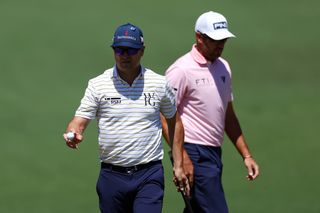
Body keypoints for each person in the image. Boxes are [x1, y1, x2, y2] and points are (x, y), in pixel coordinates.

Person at [63, 23, 189, 213]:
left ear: (142, 51)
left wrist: (178, 164)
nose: (124, 55)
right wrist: (73, 132)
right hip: (112, 175)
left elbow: (175, 122)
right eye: (119, 50)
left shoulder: (159, 83)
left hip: (149, 174)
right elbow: (78, 122)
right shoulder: (98, 85)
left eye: (131, 50)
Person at [161, 11, 260, 213]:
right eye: (215, 40)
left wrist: (246, 155)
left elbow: (228, 115)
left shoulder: (223, 67)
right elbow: (163, 114)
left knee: (196, 209)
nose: (221, 44)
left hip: (213, 153)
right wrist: (183, 157)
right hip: (193, 151)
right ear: (199, 37)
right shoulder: (181, 70)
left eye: (223, 39)